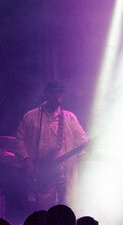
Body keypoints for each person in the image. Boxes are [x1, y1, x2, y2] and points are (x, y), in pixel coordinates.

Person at [13, 82, 89, 210]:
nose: (57, 97)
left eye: (60, 94)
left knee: (67, 207)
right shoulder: (31, 117)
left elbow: (82, 141)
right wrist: (27, 161)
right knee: (45, 209)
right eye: (54, 93)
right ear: (46, 95)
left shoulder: (70, 118)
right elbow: (19, 141)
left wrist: (85, 159)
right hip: (42, 172)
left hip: (65, 172)